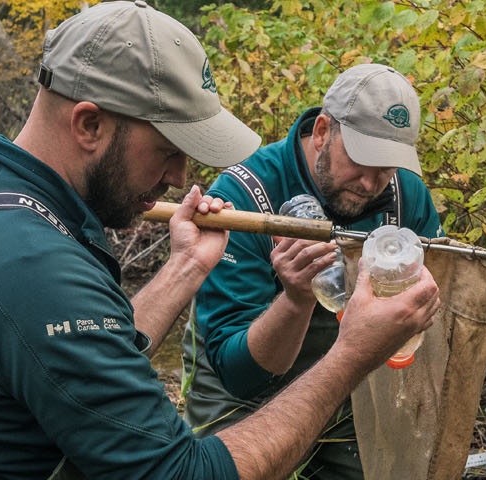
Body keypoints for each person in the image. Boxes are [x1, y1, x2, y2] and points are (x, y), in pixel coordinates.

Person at [0, 2, 443, 479]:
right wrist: (352, 353)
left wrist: (185, 267)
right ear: (89, 124)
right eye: (167, 151)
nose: (178, 179)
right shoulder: (28, 261)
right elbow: (182, 474)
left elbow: (75, 358)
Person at [180, 63, 443, 479]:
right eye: (362, 159)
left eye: (388, 165)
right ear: (322, 132)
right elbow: (239, 377)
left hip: (354, 383)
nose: (373, 182)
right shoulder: (242, 196)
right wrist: (296, 298)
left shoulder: (408, 198)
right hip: (243, 396)